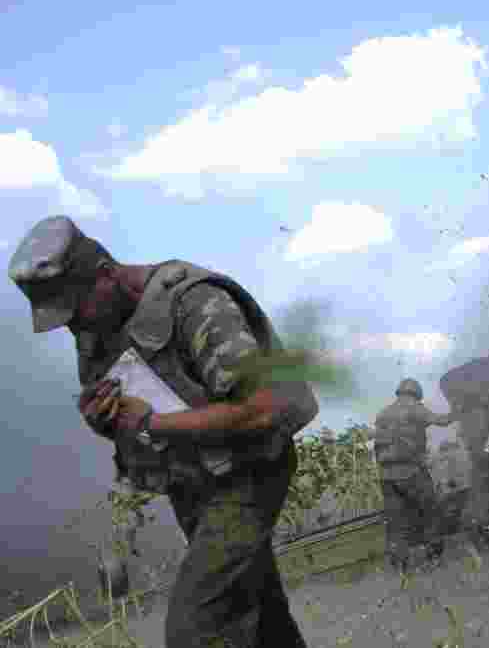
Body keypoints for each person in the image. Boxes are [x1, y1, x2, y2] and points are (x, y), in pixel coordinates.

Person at [8, 215, 317, 648]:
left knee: (197, 627)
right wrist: (104, 420)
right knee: (259, 614)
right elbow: (124, 414)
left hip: (250, 470)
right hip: (193, 481)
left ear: (104, 275)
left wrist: (152, 423)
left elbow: (264, 410)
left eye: (75, 310)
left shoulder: (195, 303)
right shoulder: (97, 332)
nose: (74, 326)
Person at [369, 377, 456, 572]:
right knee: (430, 512)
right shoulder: (415, 407)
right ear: (416, 393)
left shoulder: (383, 413)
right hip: (411, 472)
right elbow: (442, 421)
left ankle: (400, 566)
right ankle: (433, 557)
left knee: (395, 521)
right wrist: (460, 410)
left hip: (386, 476)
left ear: (399, 392)